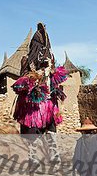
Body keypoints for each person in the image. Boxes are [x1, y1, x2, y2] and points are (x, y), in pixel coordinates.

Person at [12, 23, 67, 167]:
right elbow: (21, 81)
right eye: (41, 46)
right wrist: (34, 78)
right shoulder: (26, 60)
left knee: (51, 131)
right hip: (32, 106)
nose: (44, 50)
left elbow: (55, 81)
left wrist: (51, 72)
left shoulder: (51, 59)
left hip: (48, 103)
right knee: (32, 133)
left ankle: (54, 157)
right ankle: (33, 159)